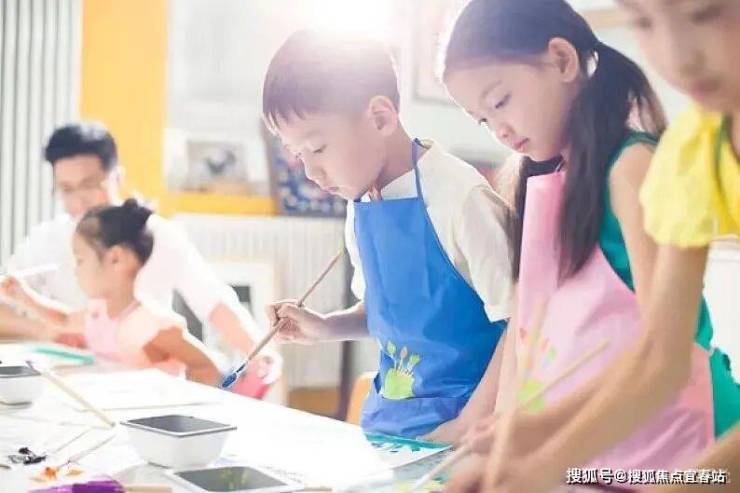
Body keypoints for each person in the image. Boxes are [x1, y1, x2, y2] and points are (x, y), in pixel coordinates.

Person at [440, 0, 736, 491]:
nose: (677, 57)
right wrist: (530, 435)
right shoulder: (690, 151)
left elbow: (669, 360)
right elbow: (655, 359)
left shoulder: (634, 166)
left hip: (687, 435)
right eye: (643, 23)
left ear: (562, 60)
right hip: (617, 448)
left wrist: (545, 454)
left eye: (501, 101)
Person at [263, 30, 512, 440]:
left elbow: (521, 325)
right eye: (298, 155)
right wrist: (324, 327)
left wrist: (469, 425)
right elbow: (388, 314)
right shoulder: (360, 201)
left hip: (470, 431)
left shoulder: (460, 198)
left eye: (318, 148)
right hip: (391, 426)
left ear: (380, 118)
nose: (311, 173)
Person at [0, 122, 279, 385]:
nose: (78, 201)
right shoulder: (46, 240)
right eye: (66, 190)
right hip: (76, 380)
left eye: (89, 185)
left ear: (117, 177)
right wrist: (44, 330)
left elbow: (214, 302)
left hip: (145, 384)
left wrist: (258, 351)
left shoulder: (157, 237)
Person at [1, 200, 221, 385]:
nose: (75, 270)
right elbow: (64, 320)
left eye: (80, 260)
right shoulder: (100, 312)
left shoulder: (152, 325)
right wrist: (23, 296)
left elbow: (207, 367)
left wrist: (183, 408)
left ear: (116, 259)